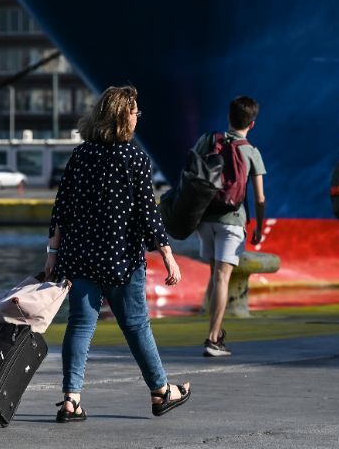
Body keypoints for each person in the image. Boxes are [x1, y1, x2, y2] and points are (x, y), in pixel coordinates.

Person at [45, 85, 191, 423]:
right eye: (135, 111)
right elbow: (147, 213)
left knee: (80, 325)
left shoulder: (81, 155)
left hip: (80, 257)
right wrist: (167, 254)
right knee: (137, 325)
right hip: (121, 258)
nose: (139, 116)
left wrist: (53, 253)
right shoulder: (134, 157)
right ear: (122, 116)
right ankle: (160, 391)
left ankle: (71, 399)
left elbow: (61, 209)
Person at [193, 96, 266, 358]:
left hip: (206, 219)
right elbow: (259, 197)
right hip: (232, 220)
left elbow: (190, 173)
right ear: (252, 123)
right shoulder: (251, 151)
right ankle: (213, 339)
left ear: (229, 118)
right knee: (223, 277)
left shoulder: (209, 140)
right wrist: (259, 225)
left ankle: (217, 331)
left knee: (216, 276)